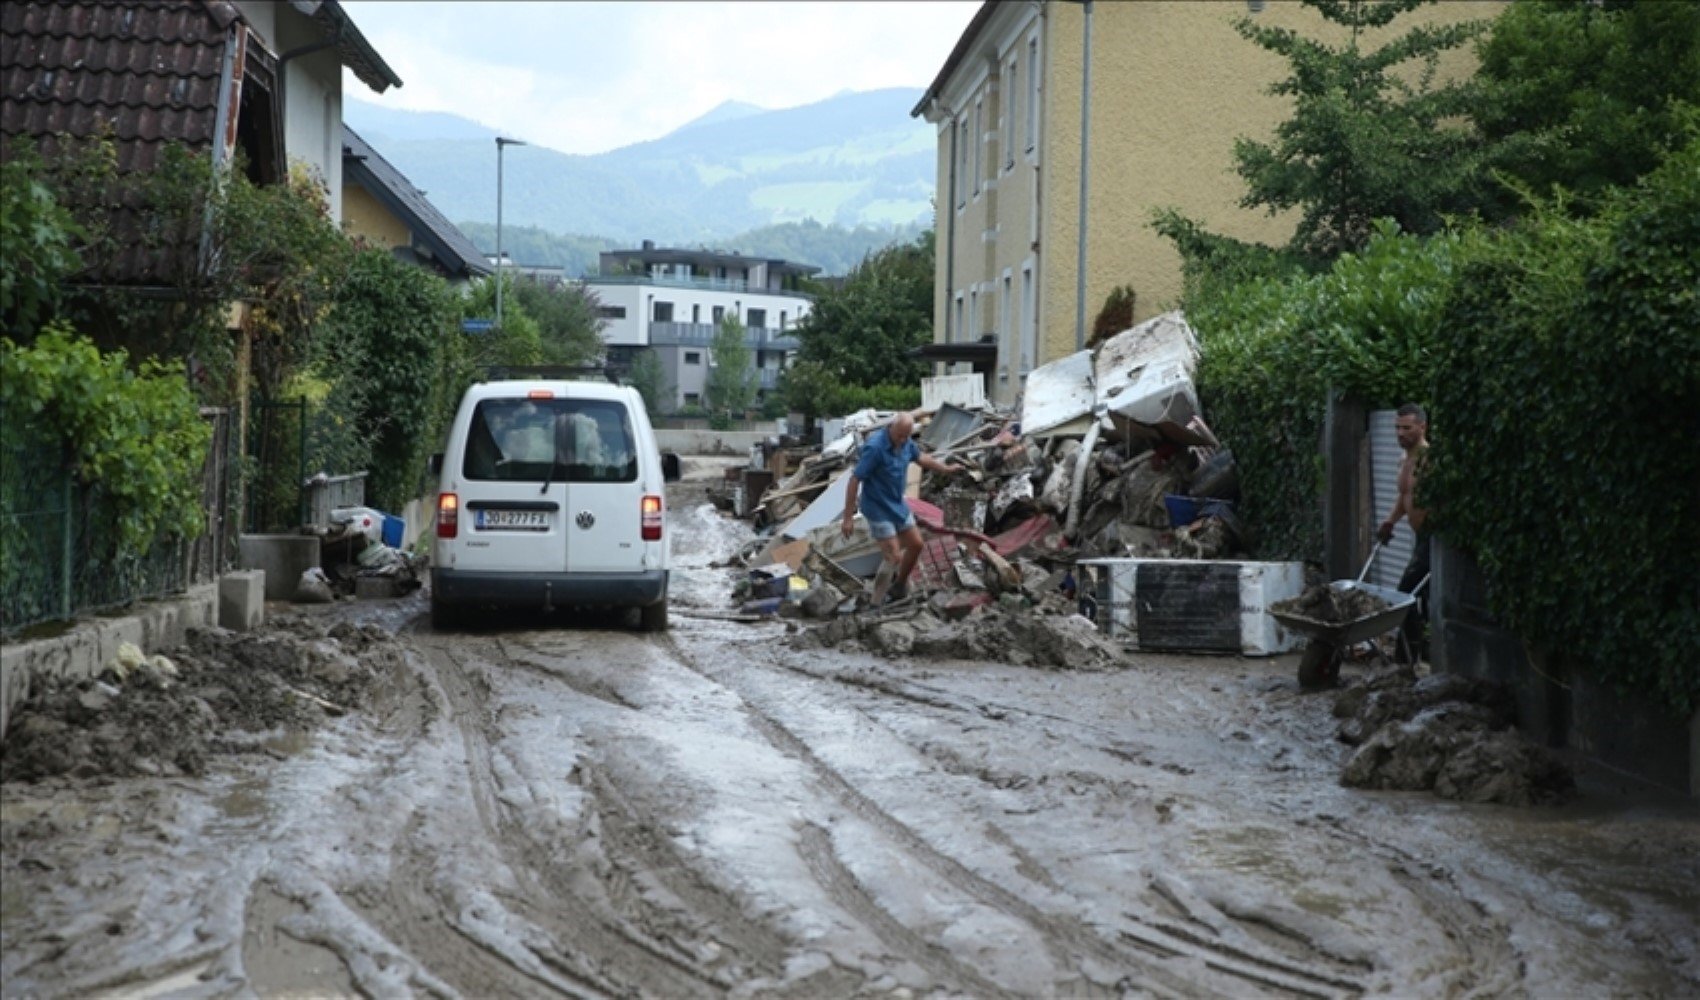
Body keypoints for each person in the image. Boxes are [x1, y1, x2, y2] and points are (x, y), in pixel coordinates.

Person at [841, 412, 963, 605]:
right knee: (893, 556)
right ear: (891, 428)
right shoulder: (875, 448)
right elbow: (855, 479)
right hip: (877, 507)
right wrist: (847, 517)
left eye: (906, 436)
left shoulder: (906, 443)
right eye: (899, 435)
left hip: (897, 504)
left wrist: (945, 469)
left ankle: (898, 586)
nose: (902, 440)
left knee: (916, 544)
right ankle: (875, 602)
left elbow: (921, 458)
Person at [1378, 402, 1430, 662]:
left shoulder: (1429, 460)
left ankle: (1406, 658)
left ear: (1422, 427)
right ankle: (1416, 655)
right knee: (1420, 597)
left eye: (1406, 428)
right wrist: (1389, 521)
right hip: (1419, 538)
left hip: (1433, 540)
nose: (1400, 434)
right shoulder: (1403, 460)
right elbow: (1404, 497)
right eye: (1397, 428)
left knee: (1405, 594)